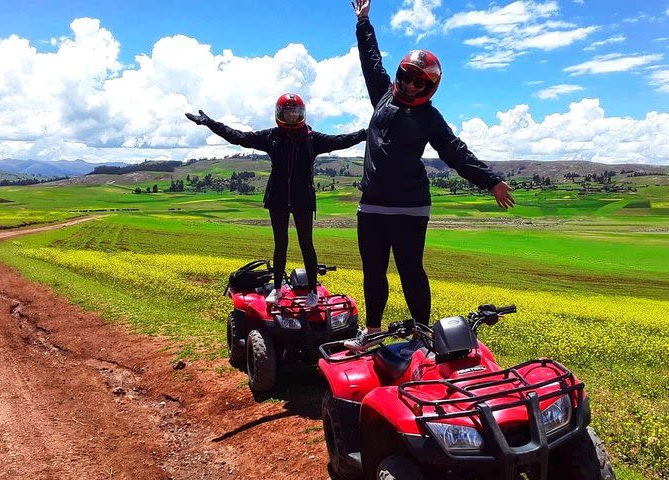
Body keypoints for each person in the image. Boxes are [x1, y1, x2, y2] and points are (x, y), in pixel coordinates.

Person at [345, 0, 515, 349]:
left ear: (429, 87)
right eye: (406, 77)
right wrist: (364, 21)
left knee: (411, 271)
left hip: (410, 207)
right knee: (373, 272)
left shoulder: (430, 118)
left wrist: (491, 180)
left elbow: (456, 152)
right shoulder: (383, 96)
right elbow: (370, 59)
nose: (409, 85)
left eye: (418, 82)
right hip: (372, 205)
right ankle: (373, 331)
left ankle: (422, 335)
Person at [186, 94, 366, 307]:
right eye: (288, 112)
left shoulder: (312, 138)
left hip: (303, 199)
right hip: (278, 198)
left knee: (306, 244)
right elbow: (239, 137)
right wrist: (210, 123)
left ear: (302, 113)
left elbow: (342, 141)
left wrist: (366, 132)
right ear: (280, 114)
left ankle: (312, 292)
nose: (292, 116)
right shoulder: (271, 136)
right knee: (280, 244)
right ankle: (278, 288)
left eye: (295, 112)